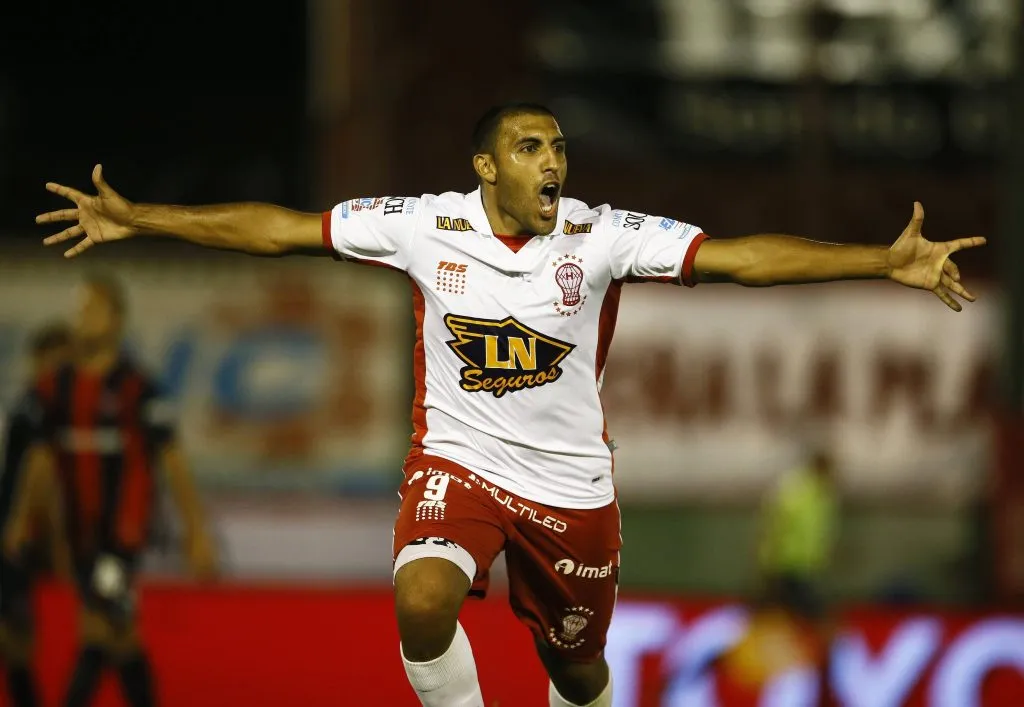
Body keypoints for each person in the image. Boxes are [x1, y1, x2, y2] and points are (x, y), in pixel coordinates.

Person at [32, 103, 984, 707]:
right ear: (487, 167)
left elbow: (739, 259)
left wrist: (880, 260)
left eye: (559, 146)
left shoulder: (602, 237)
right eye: (531, 147)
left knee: (577, 671)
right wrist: (141, 216)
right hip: (460, 462)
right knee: (422, 601)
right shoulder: (420, 223)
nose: (552, 161)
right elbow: (282, 231)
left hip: (571, 489)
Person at [3, 275, 218, 707]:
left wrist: (196, 530)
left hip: (123, 533)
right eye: (79, 310)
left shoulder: (137, 389)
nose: (81, 319)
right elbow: (40, 460)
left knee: (98, 626)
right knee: (120, 638)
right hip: (81, 533)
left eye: (92, 310)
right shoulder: (55, 388)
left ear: (116, 319)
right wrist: (22, 518)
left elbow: (172, 460)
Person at [0, 323, 73, 707]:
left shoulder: (34, 404)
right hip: (13, 529)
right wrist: (53, 540)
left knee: (19, 640)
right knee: (16, 636)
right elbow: (39, 476)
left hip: (17, 529)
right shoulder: (38, 406)